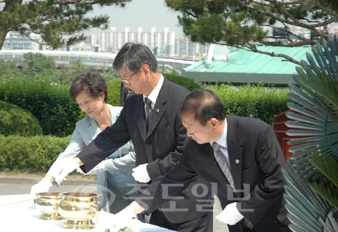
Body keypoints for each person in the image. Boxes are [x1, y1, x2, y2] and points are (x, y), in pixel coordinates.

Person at [49, 42, 214, 231]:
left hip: (188, 206)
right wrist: (78, 161)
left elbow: (187, 156)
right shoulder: (134, 102)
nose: (125, 84)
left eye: (127, 78)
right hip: (153, 205)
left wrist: (151, 170)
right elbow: (112, 136)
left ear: (144, 70)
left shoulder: (183, 101)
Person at [119, 89, 291, 232]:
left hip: (275, 222)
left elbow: (276, 181)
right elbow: (170, 181)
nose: (188, 134)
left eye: (191, 128)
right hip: (239, 227)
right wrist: (132, 209)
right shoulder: (196, 148)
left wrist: (242, 208)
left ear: (213, 123)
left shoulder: (256, 133)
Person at [30, 72, 136, 213]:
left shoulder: (125, 115)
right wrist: (47, 180)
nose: (85, 108)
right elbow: (68, 155)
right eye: (80, 104)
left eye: (87, 101)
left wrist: (105, 165)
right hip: (112, 190)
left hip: (141, 186)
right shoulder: (82, 127)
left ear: (101, 95)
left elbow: (138, 154)